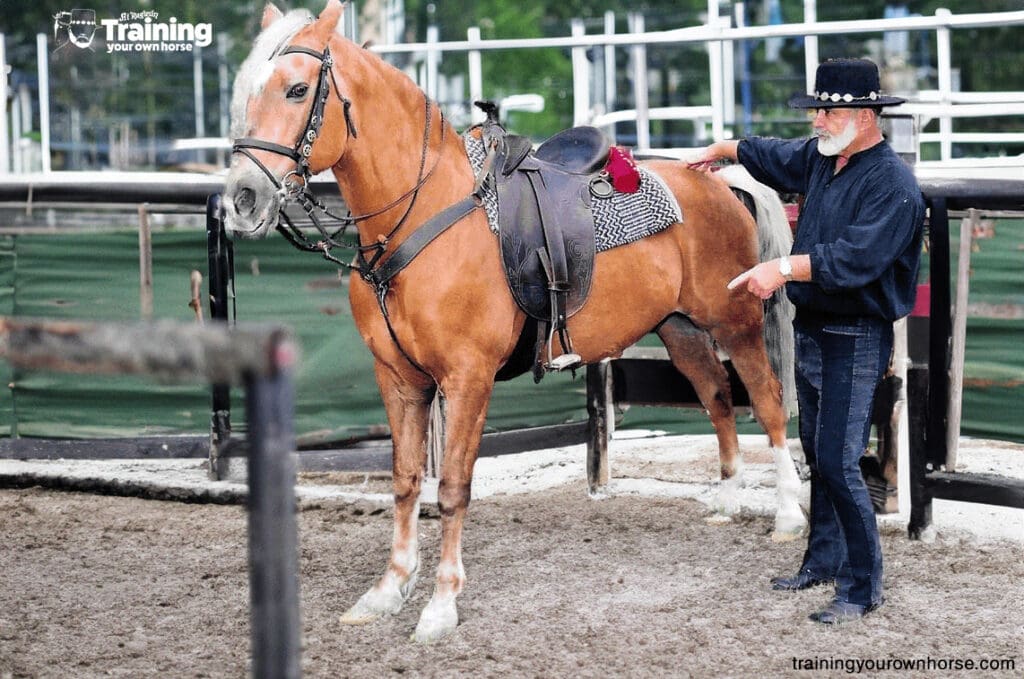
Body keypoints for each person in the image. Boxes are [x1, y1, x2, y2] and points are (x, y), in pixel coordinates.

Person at [688, 58, 925, 624]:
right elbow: (775, 154)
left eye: (828, 110)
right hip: (816, 329)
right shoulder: (825, 159)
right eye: (817, 109)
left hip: (854, 335)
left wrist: (784, 269)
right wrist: (725, 150)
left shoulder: (892, 185)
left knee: (839, 463)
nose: (817, 119)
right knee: (820, 455)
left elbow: (855, 260)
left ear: (865, 116)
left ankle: (863, 587)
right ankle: (822, 560)